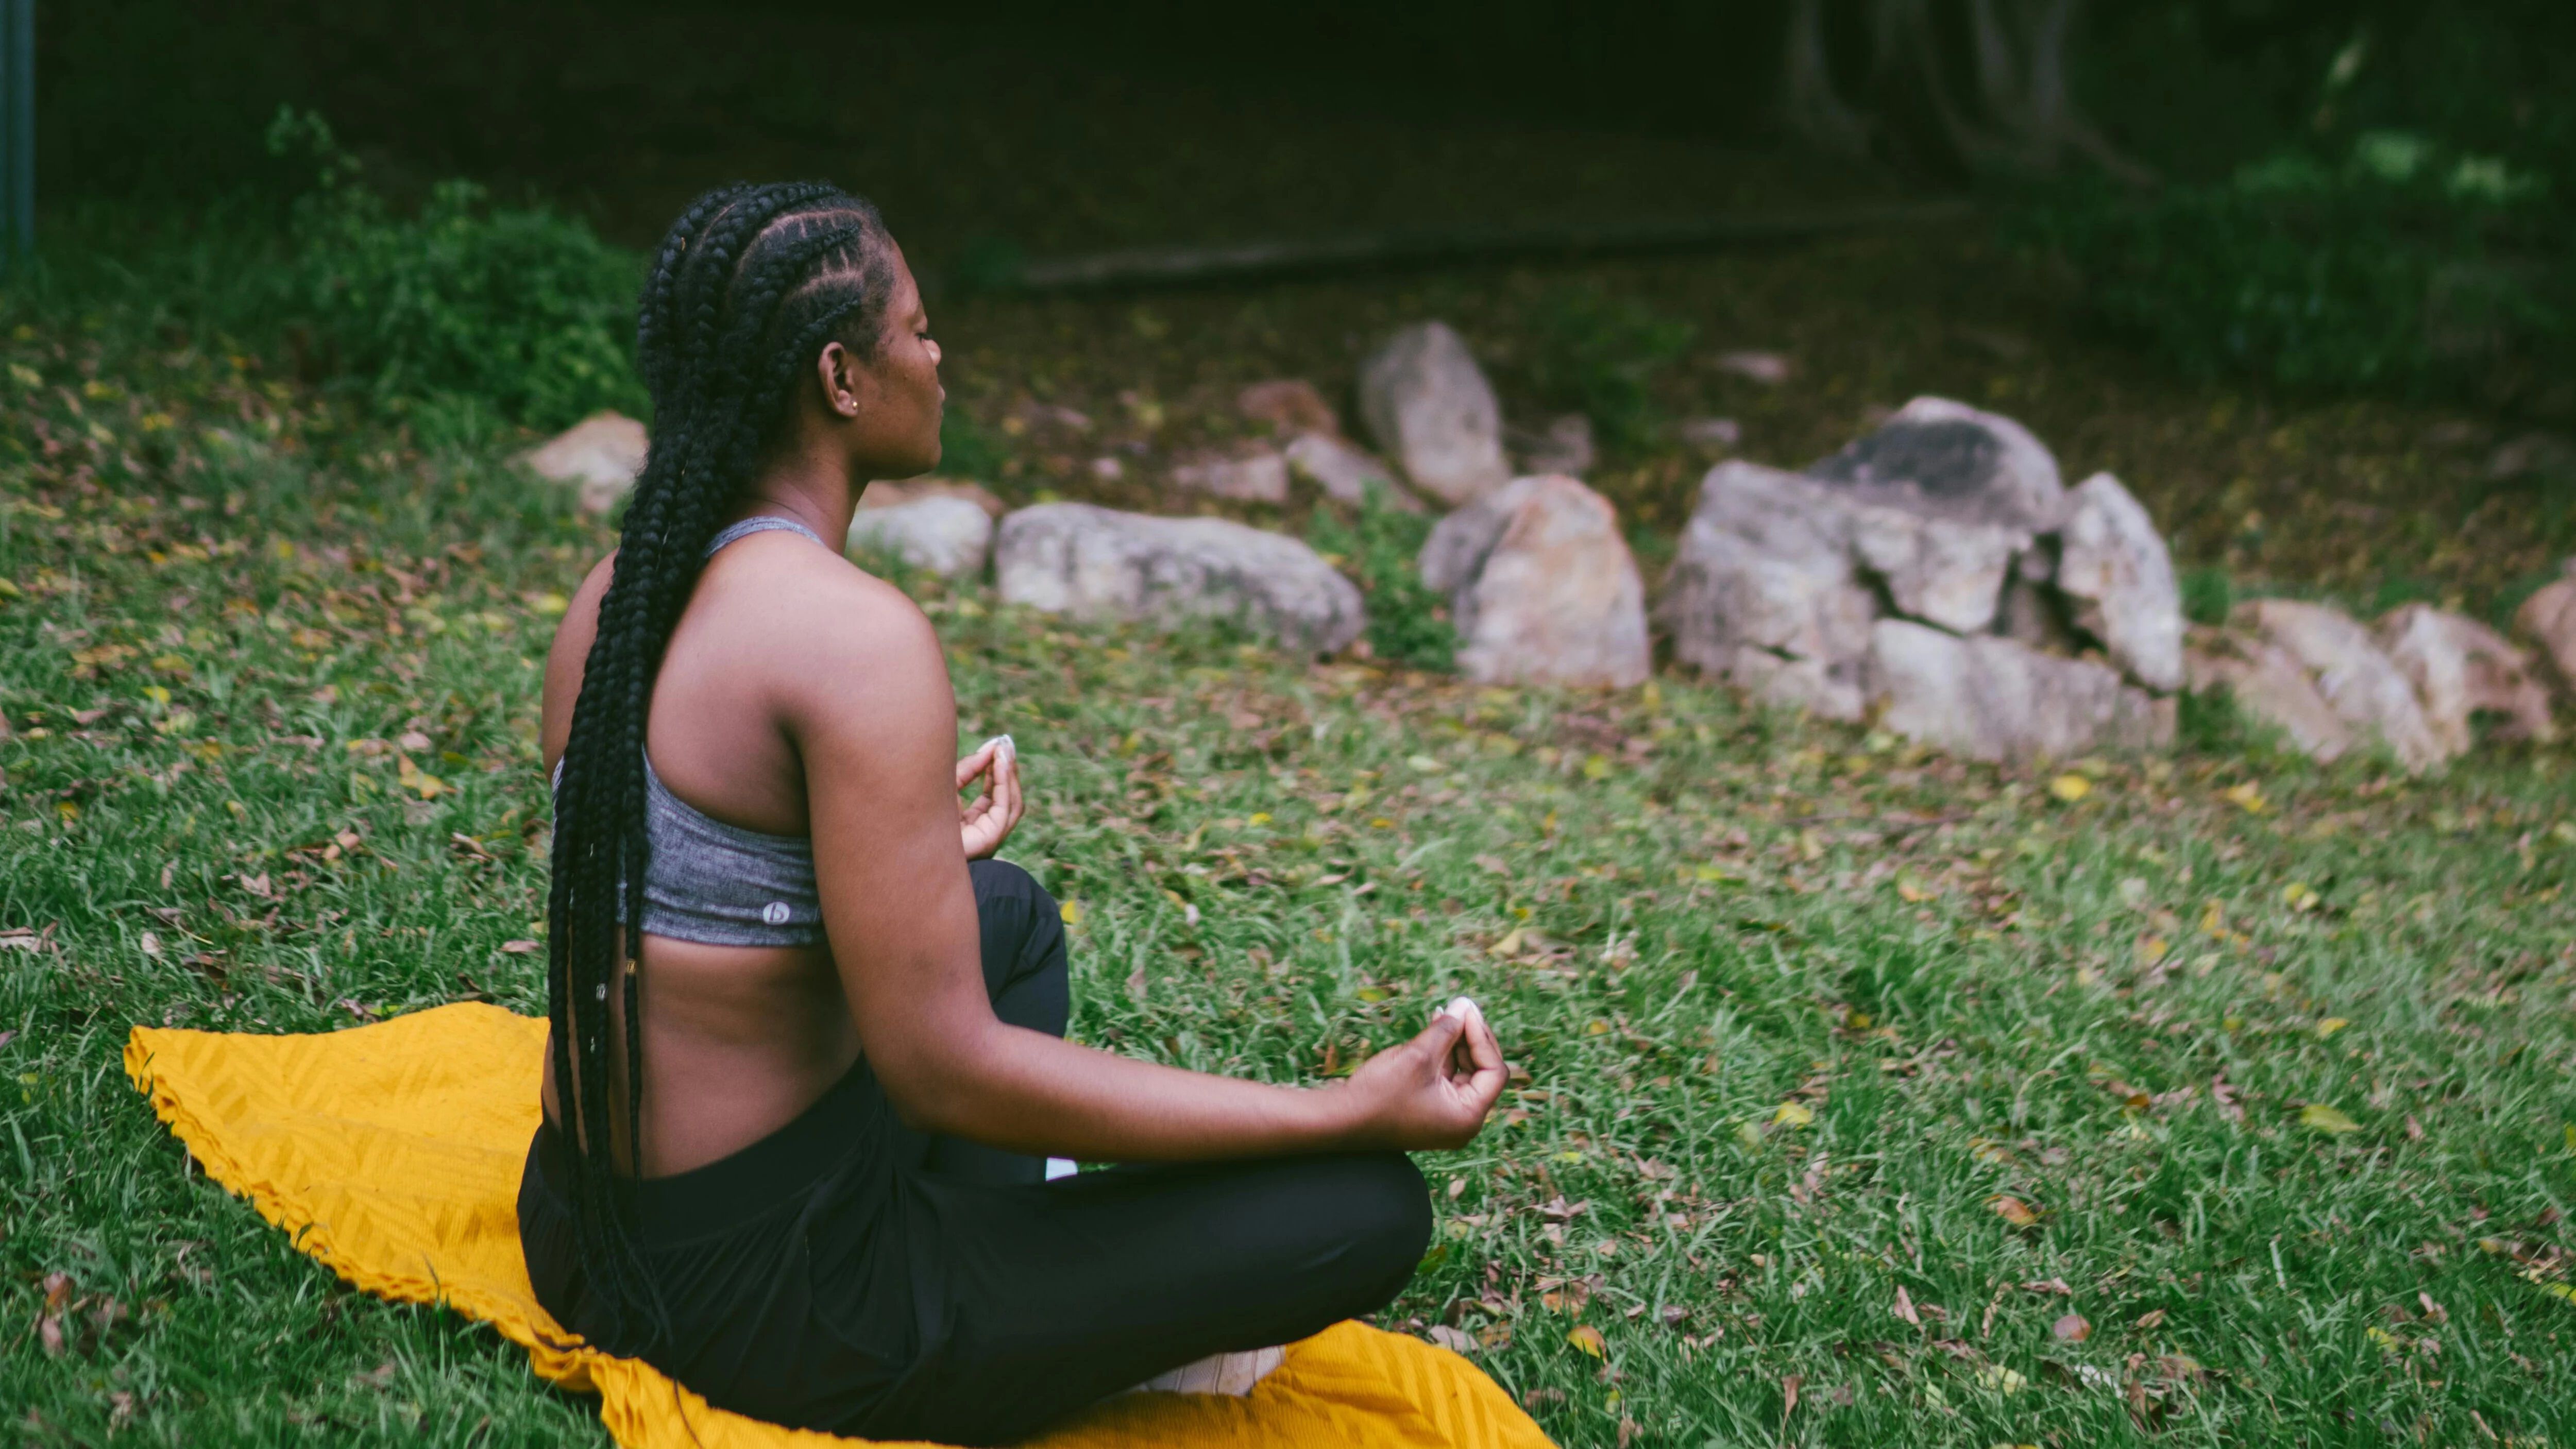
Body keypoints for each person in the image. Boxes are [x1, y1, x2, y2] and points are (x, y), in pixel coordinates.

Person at [515, 182, 1509, 1446]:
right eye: (918, 331)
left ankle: (1000, 1268)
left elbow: (661, 885)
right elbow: (944, 1075)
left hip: (583, 1222)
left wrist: (893, 851)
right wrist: (1347, 1109)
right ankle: (985, 1315)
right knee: (1368, 1210)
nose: (939, 358)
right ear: (839, 377)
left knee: (1007, 916)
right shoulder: (850, 638)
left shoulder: (621, 587)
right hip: (771, 1303)